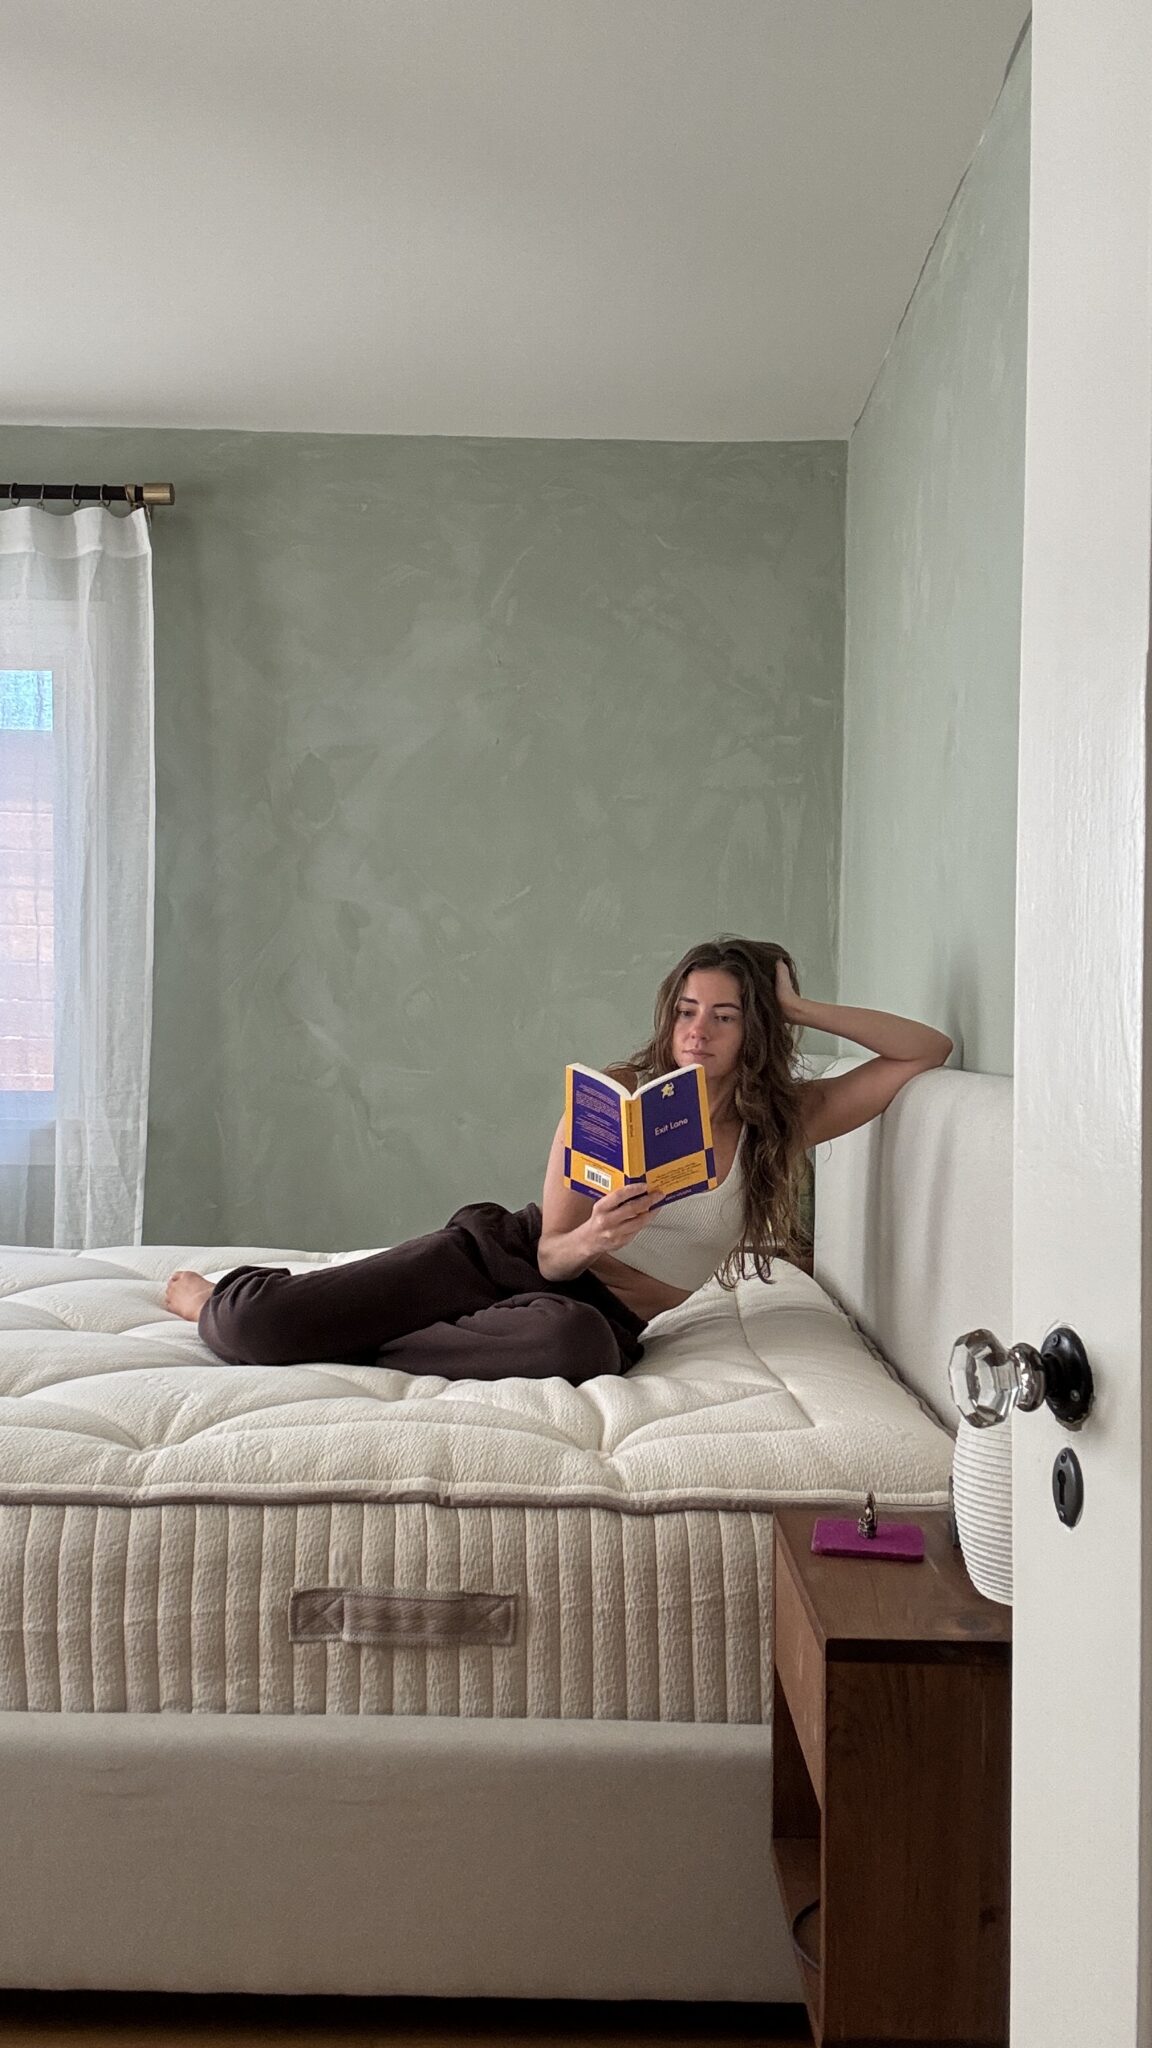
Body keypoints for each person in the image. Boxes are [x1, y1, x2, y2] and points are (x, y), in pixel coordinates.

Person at [165, 935, 953, 1383]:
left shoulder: (783, 1122)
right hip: (510, 1258)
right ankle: (211, 1296)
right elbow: (549, 1251)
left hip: (591, 1318)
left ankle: (363, 1336)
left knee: (573, 1351)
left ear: (757, 1031)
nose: (697, 1032)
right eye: (685, 1011)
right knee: (260, 1330)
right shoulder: (617, 1095)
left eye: (724, 1016)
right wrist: (597, 1235)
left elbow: (923, 1051)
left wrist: (799, 1007)